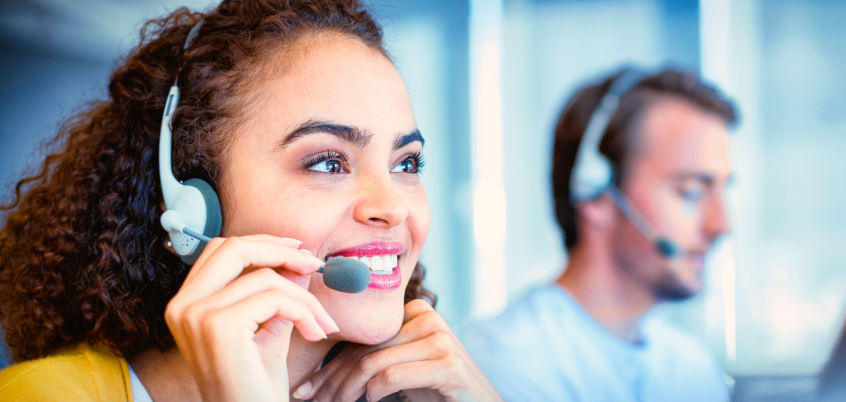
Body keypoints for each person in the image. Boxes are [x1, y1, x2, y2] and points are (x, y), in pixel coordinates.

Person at [0, 1, 502, 401]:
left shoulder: (418, 393)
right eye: (328, 162)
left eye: (406, 164)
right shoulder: (42, 396)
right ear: (194, 201)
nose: (391, 206)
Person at [462, 68, 737, 402]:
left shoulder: (691, 365)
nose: (721, 224)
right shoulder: (505, 368)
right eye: (691, 192)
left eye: (723, 190)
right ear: (596, 194)